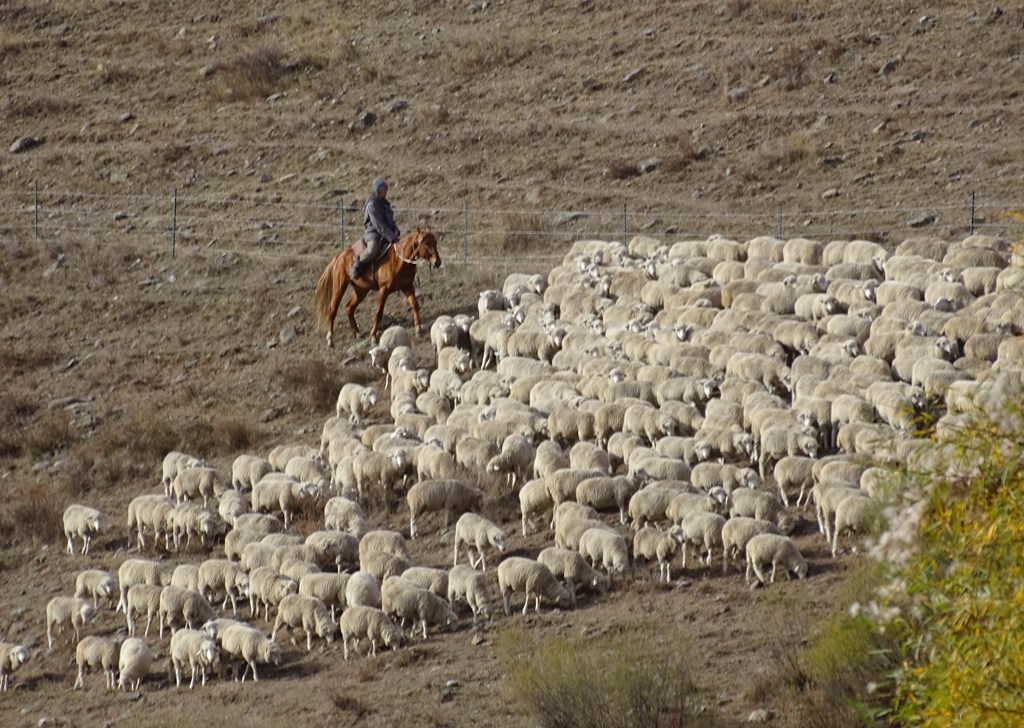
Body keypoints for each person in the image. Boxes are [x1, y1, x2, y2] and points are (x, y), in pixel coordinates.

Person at [351, 178, 400, 278]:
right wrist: (391, 236)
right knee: (372, 250)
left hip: (387, 233)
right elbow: (378, 224)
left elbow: (390, 220)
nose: (386, 191)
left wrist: (395, 229)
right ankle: (358, 263)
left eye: (386, 189)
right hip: (373, 233)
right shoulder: (372, 204)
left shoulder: (385, 203)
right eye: (384, 189)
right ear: (378, 190)